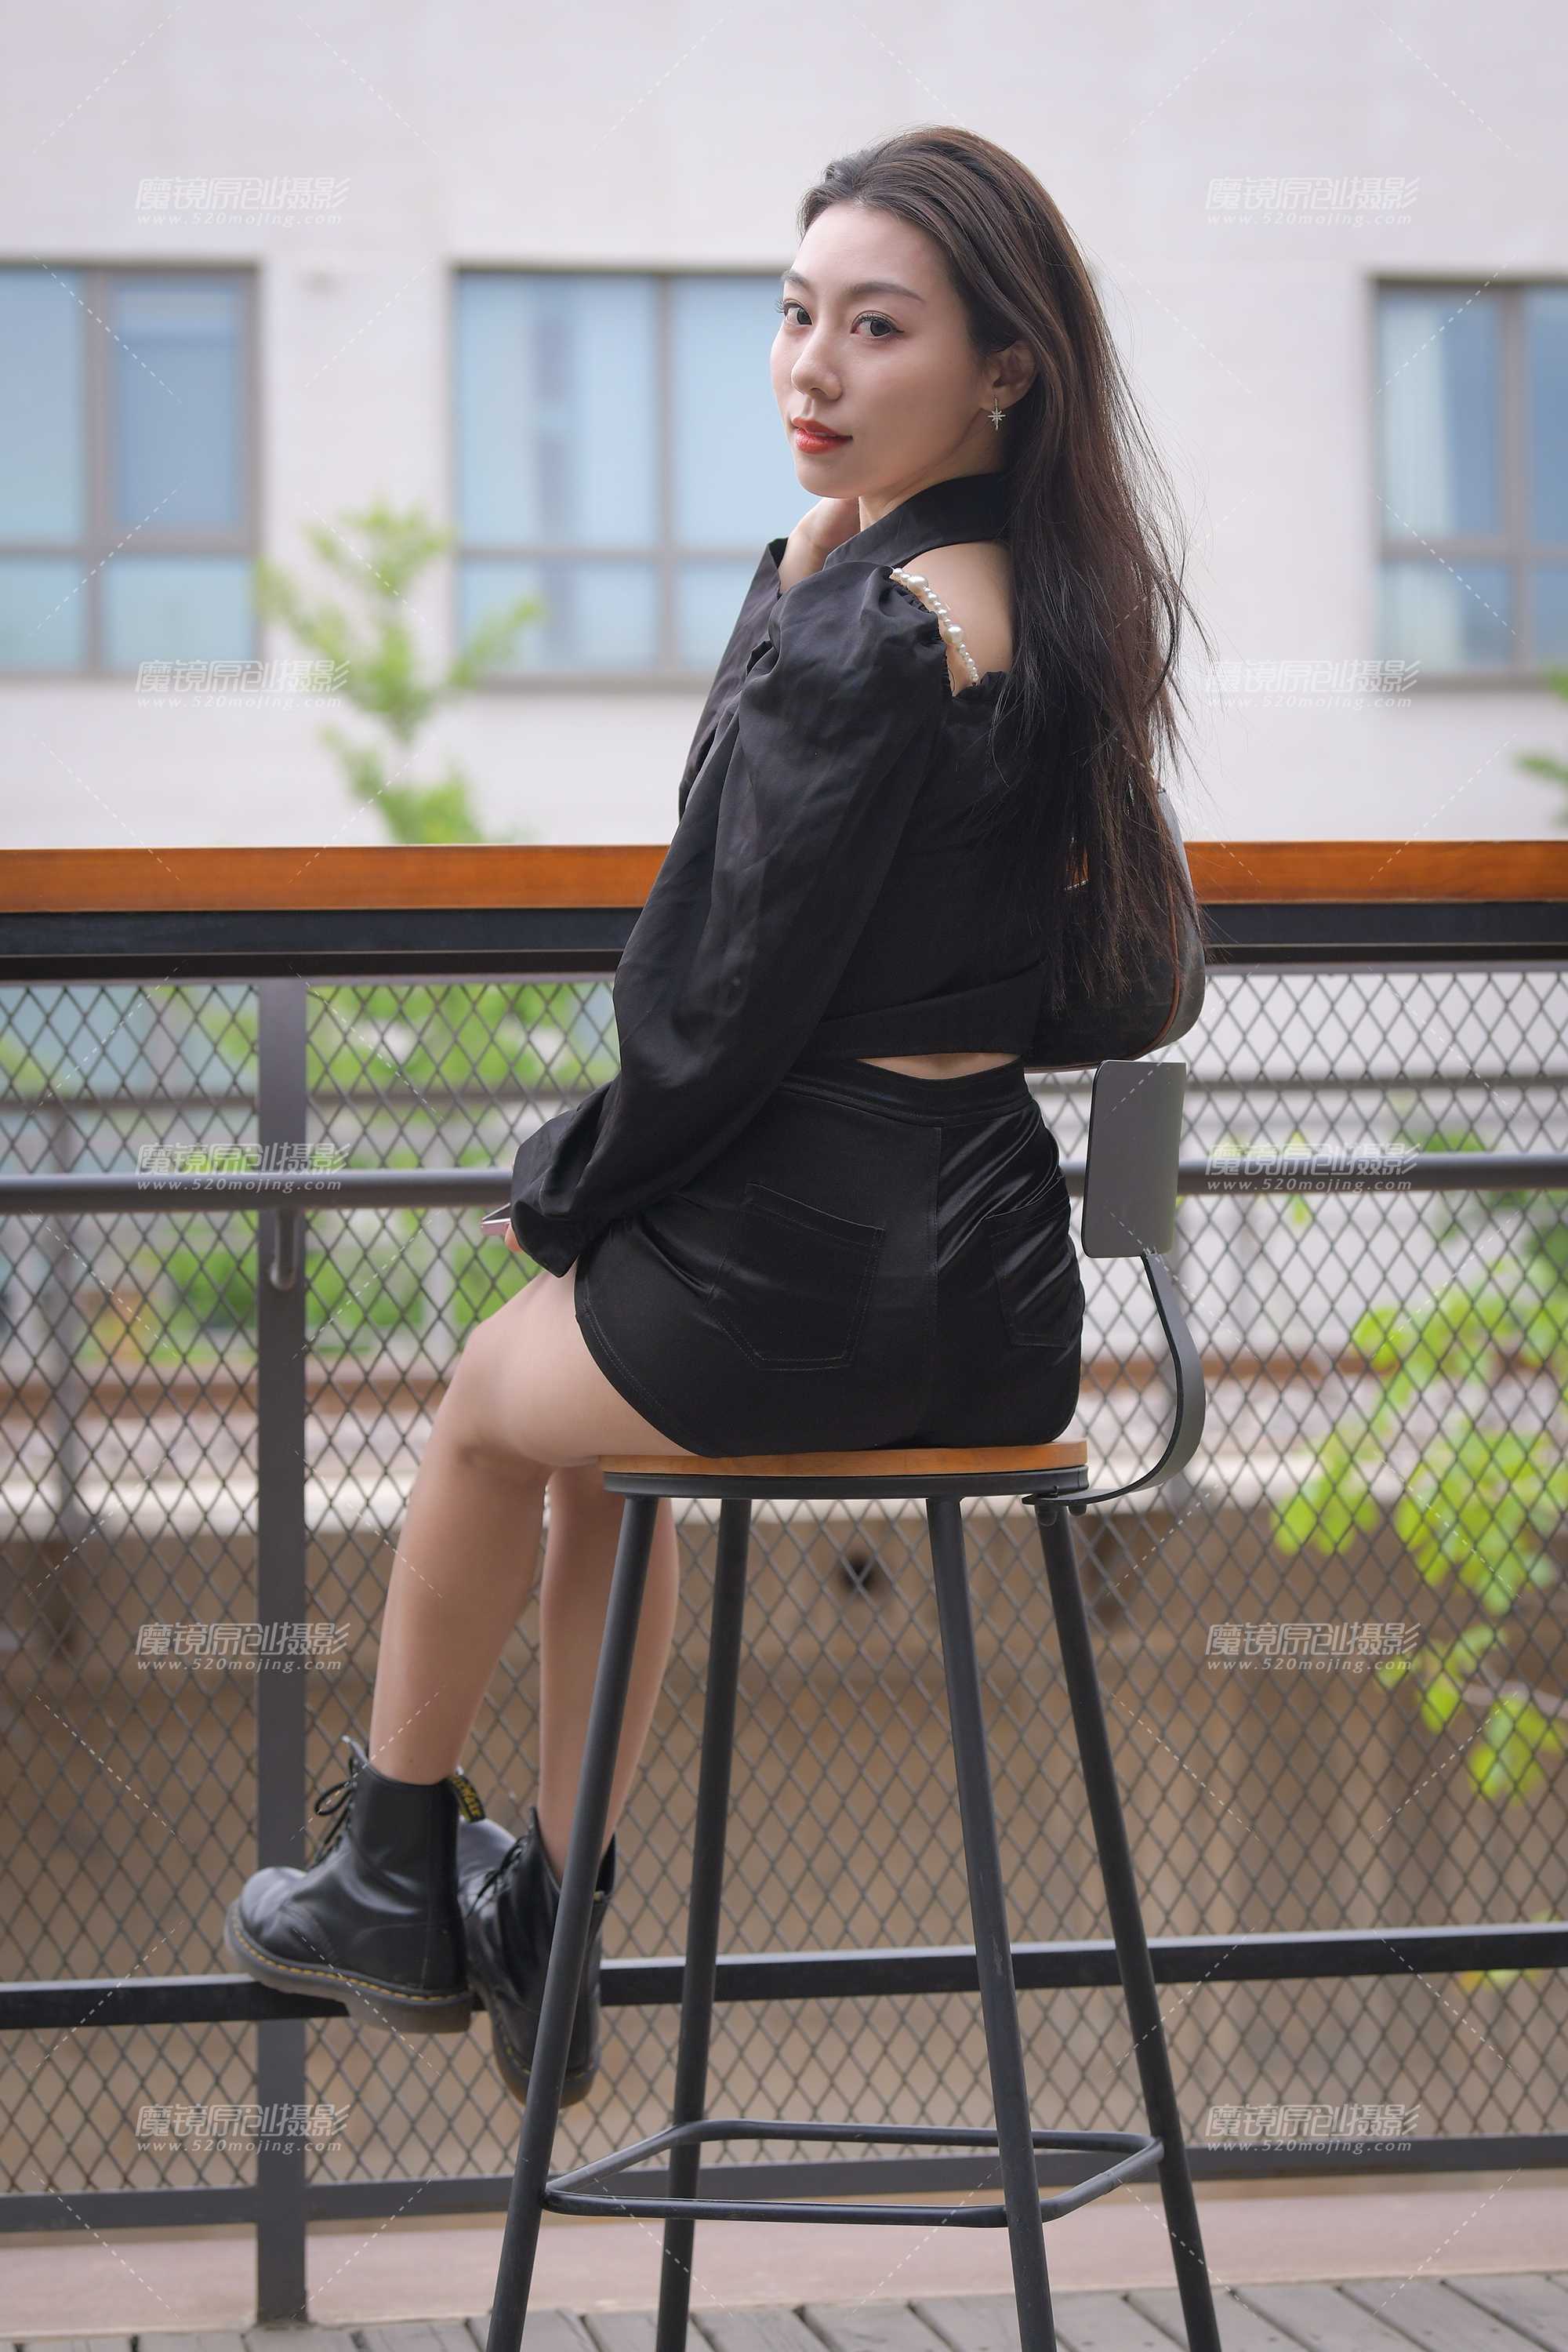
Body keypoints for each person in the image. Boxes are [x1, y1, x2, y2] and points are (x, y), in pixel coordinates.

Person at [223, 124, 1206, 2108]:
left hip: (810, 1284)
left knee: (487, 1401)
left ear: (1003, 368)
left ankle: (393, 1872)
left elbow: (709, 993)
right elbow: (1131, 989)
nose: (812, 369)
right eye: (795, 315)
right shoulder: (1062, 609)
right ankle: (546, 1912)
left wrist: (567, 1184)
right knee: (605, 1446)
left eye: (877, 327)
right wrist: (807, 586)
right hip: (1004, 1304)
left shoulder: (864, 633)